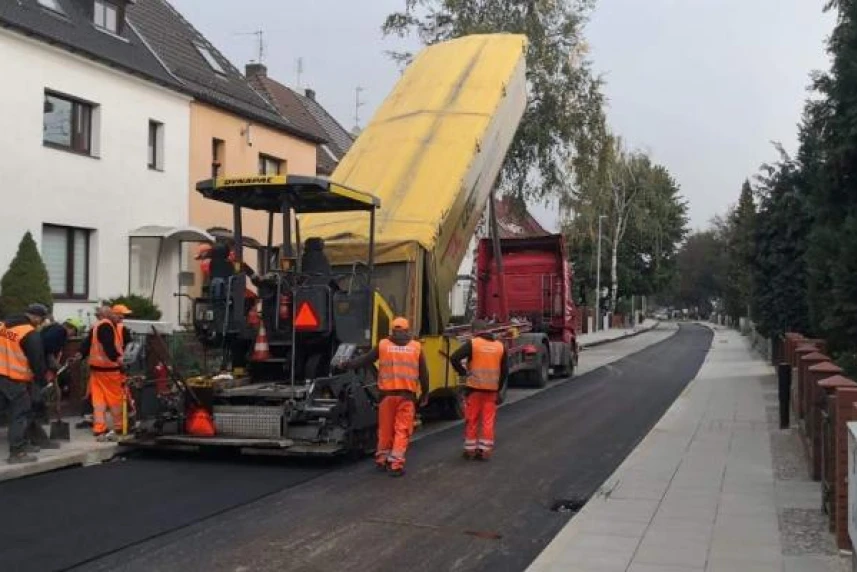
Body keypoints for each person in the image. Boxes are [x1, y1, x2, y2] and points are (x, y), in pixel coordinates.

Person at [339, 317, 429, 477]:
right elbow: (424, 373)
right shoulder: (416, 347)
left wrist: (346, 364)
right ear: (407, 331)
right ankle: (396, 464)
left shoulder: (383, 345)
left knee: (385, 429)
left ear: (392, 330)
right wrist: (425, 393)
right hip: (406, 397)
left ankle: (382, 460)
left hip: (386, 396)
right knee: (402, 430)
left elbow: (364, 360)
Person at [448, 319, 508, 461]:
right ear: (487, 330)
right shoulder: (500, 346)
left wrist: (463, 373)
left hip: (474, 390)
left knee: (472, 419)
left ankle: (470, 450)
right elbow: (505, 370)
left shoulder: (473, 344)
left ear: (474, 331)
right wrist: (498, 388)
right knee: (488, 420)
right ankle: (485, 451)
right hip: (491, 391)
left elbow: (454, 358)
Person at [0, 303, 50, 464]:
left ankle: (23, 443)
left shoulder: (3, 325)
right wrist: (42, 381)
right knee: (20, 414)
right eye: (41, 319)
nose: (41, 322)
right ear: (35, 316)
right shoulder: (29, 333)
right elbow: (37, 361)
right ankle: (17, 452)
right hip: (14, 379)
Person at [85, 307, 126, 441]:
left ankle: (99, 428)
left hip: (96, 370)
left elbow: (87, 343)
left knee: (98, 401)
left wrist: (80, 354)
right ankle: (119, 426)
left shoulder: (96, 326)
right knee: (115, 399)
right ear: (107, 314)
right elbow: (109, 345)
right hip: (110, 370)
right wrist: (118, 359)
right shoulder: (107, 326)